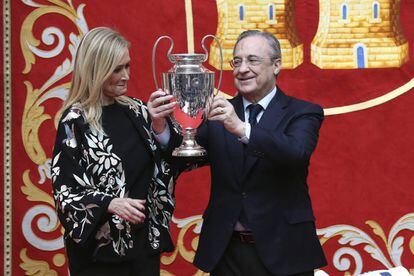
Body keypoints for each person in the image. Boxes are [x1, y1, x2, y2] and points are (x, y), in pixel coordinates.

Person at [149, 30, 327, 275]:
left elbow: (295, 153)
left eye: (252, 60)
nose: (242, 69)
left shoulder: (303, 112)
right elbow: (182, 158)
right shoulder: (215, 112)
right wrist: (160, 127)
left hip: (285, 252)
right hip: (227, 253)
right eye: (237, 61)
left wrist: (242, 128)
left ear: (276, 65)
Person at [51, 27, 178, 275]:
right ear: (96, 70)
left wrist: (159, 125)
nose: (126, 76)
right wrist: (109, 203)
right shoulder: (74, 121)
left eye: (127, 66)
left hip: (143, 251)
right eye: (117, 69)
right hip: (99, 258)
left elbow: (171, 160)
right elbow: (65, 192)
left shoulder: (139, 111)